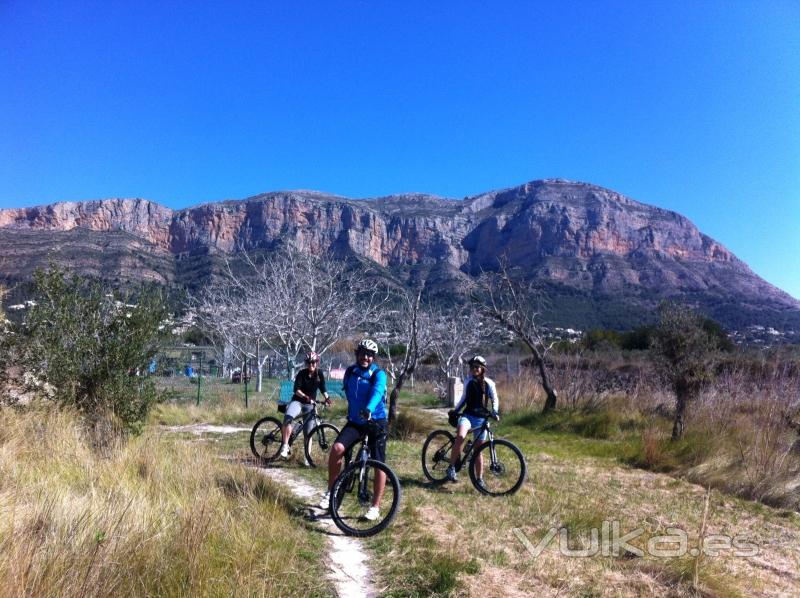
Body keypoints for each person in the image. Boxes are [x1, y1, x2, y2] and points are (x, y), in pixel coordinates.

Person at [318, 339, 388, 521]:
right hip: (356, 421)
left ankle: (375, 507)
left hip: (376, 420)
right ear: (357, 354)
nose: (366, 357)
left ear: (373, 358)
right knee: (337, 449)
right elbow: (349, 395)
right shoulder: (350, 372)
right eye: (363, 353)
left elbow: (378, 392)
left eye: (370, 355)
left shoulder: (378, 374)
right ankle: (331, 491)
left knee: (379, 462)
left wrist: (369, 408)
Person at [446, 355, 499, 489]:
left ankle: (479, 479)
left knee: (478, 451)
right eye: (472, 367)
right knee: (460, 437)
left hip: (481, 419)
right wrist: (455, 410)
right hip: (468, 416)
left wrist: (495, 411)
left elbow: (495, 399)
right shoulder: (468, 381)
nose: (474, 369)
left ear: (482, 369)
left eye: (477, 367)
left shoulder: (489, 384)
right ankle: (451, 468)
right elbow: (463, 399)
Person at [279, 351, 330, 459]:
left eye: (313, 362)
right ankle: (285, 446)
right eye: (309, 362)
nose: (311, 364)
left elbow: (323, 387)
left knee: (308, 432)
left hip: (310, 405)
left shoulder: (319, 373)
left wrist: (327, 398)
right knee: (288, 419)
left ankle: (307, 457)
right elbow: (296, 389)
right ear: (306, 363)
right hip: (298, 401)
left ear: (317, 362)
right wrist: (306, 397)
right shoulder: (301, 373)